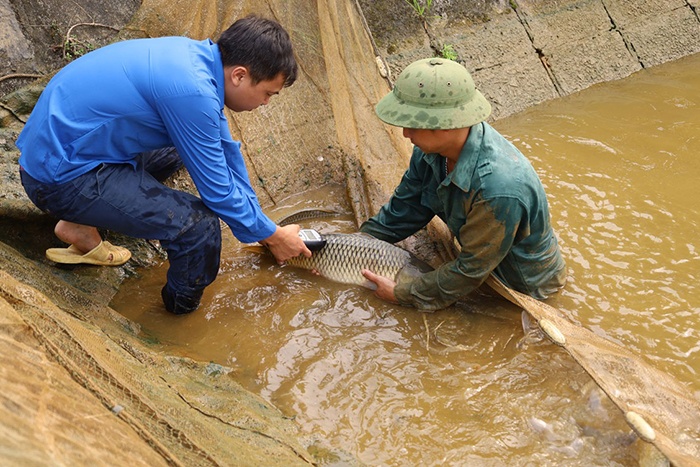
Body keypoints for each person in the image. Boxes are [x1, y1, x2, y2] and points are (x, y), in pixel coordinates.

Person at [16, 15, 311, 315]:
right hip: (57, 178)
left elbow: (224, 152)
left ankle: (79, 224)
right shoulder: (192, 92)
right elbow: (218, 193)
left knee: (181, 149)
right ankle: (178, 313)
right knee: (199, 229)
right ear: (239, 75)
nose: (266, 104)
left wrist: (267, 229)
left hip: (70, 148)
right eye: (268, 94)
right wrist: (273, 236)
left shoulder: (197, 61)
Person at [360, 57, 566, 310]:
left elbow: (469, 271)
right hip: (479, 260)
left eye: (412, 124)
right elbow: (405, 210)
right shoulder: (429, 152)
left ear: (445, 125)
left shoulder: (500, 188)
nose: (405, 134)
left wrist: (403, 293)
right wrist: (354, 244)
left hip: (522, 288)